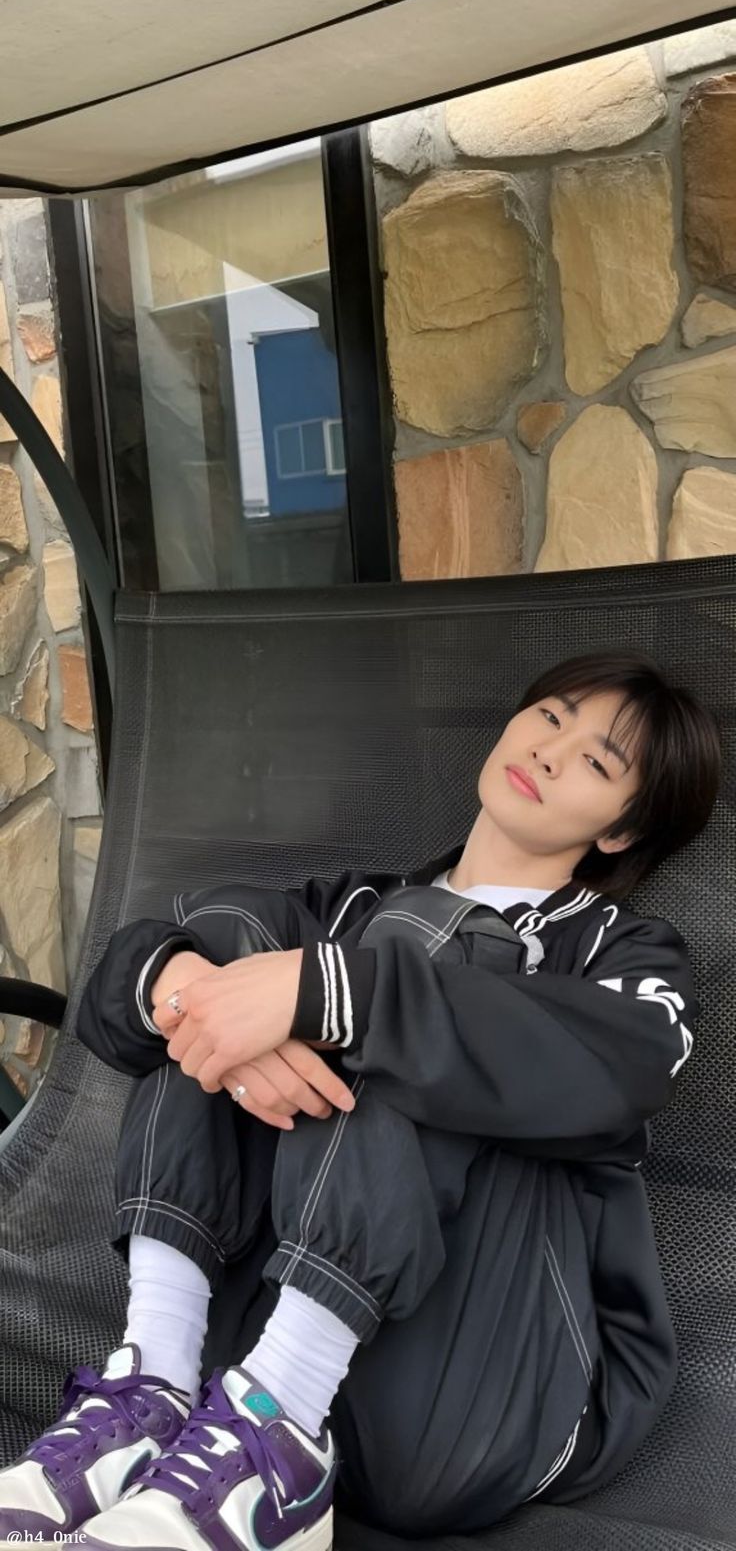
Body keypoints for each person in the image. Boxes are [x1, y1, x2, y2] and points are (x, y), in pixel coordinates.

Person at [0, 650, 721, 1549]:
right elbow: (132, 979)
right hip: (246, 1385)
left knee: (425, 977)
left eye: (597, 760)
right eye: (550, 717)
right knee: (215, 969)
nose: (549, 750)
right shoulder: (348, 904)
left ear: (618, 830)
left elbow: (630, 1066)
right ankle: (159, 1384)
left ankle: (277, 1426)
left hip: (479, 1400)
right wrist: (191, 988)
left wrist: (341, 997)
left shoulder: (630, 955)